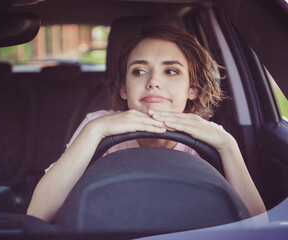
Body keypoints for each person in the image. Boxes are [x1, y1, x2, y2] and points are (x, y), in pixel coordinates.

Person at [27, 25, 266, 223]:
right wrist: (96, 130)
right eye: (139, 71)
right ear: (124, 88)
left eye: (171, 71)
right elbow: (38, 215)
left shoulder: (212, 137)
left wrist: (228, 145)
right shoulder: (97, 125)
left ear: (192, 89)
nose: (153, 82)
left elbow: (258, 227)